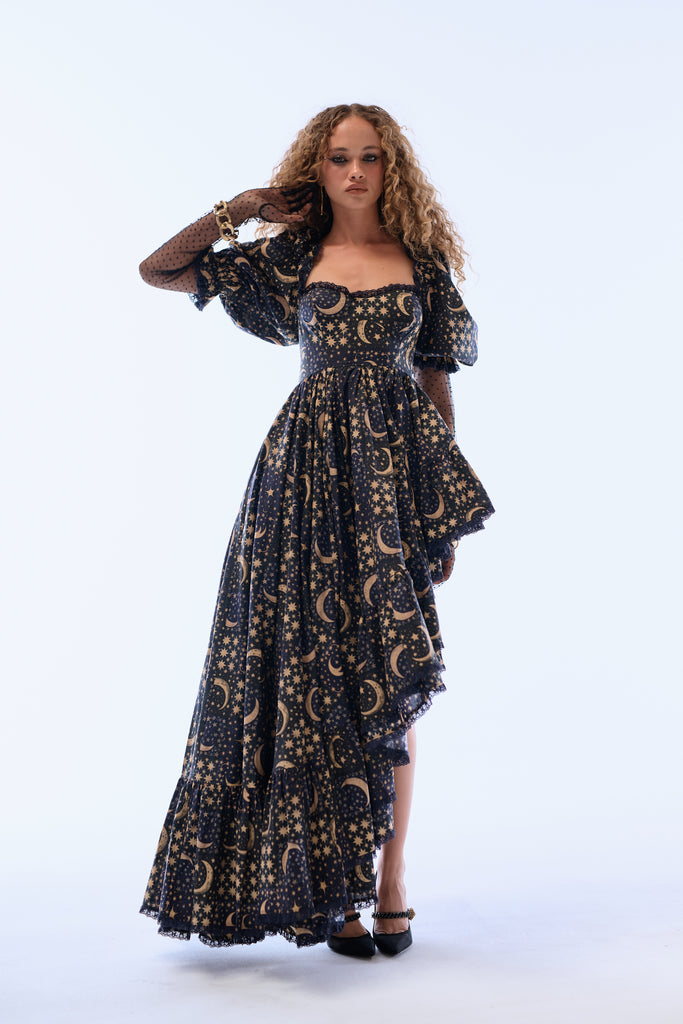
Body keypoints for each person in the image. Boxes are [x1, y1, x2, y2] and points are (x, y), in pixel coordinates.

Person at [138, 103, 494, 958]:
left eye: (370, 157)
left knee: (387, 679)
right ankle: (331, 895)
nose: (355, 172)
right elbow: (160, 269)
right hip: (298, 484)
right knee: (307, 680)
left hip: (387, 492)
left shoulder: (421, 264)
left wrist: (436, 514)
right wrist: (244, 206)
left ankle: (390, 881)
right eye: (338, 158)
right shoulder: (291, 259)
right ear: (318, 167)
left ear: (391, 167)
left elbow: (436, 388)